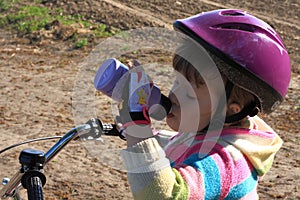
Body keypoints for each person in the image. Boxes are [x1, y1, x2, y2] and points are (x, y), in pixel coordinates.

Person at [115, 9, 291, 199]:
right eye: (177, 82)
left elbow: (163, 195)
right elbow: (181, 142)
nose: (174, 95)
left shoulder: (227, 162)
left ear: (229, 111)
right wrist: (147, 137)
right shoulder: (211, 131)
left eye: (190, 94)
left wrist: (137, 128)